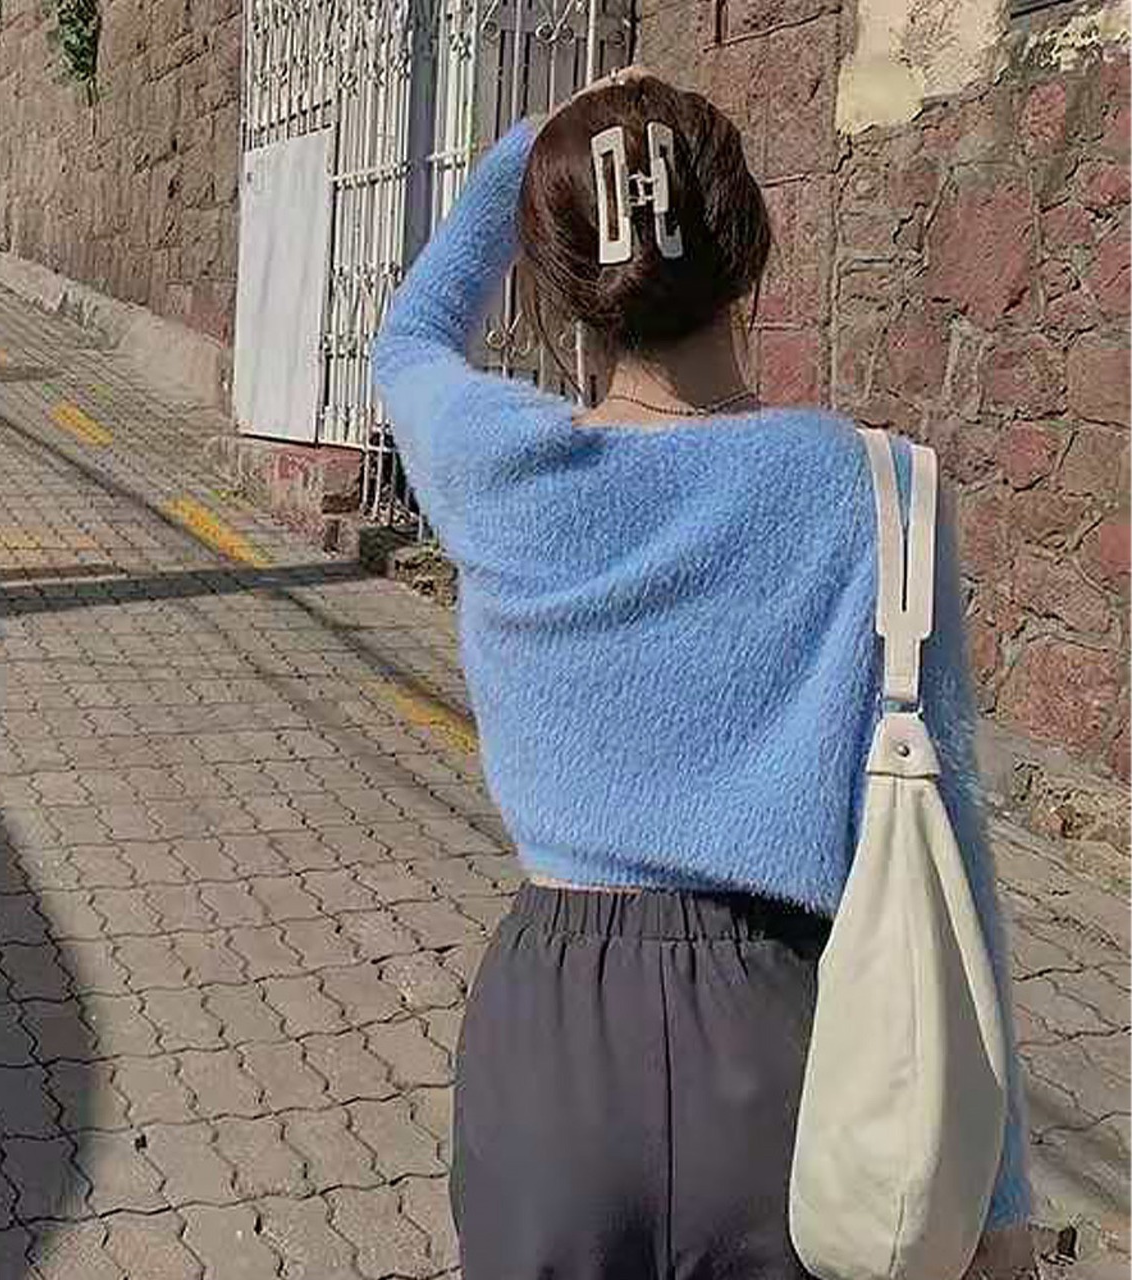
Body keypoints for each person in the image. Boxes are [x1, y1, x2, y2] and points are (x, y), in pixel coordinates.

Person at [372, 69, 1035, 1280]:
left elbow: (409, 337)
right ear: (749, 258)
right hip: (793, 1039)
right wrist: (995, 1194)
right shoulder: (877, 492)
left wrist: (540, 144)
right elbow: (949, 848)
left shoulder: (497, 468)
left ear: (566, 281)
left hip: (550, 1038)